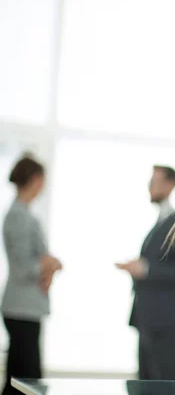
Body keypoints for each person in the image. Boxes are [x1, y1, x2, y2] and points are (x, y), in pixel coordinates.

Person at [116, 165, 175, 380]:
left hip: (166, 323)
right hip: (147, 320)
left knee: (163, 383)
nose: (149, 187)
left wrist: (147, 269)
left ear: (169, 185)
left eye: (154, 182)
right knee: (145, 382)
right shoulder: (157, 226)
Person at [2, 155, 62, 395]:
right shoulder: (18, 215)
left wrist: (49, 263)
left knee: (21, 378)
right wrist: (48, 264)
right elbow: (23, 268)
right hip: (21, 310)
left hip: (25, 308)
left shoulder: (24, 213)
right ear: (36, 179)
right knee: (25, 382)